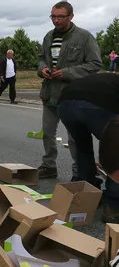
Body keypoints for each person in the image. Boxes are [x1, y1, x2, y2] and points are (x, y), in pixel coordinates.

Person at [36, 1, 102, 180]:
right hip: (49, 95)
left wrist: (67, 73)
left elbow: (95, 64)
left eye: (60, 17)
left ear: (71, 16)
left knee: (75, 139)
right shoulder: (49, 36)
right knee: (47, 134)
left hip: (73, 97)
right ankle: (49, 166)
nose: (56, 21)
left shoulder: (84, 37)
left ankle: (78, 172)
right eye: (53, 16)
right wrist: (42, 69)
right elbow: (42, 58)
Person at [57, 73, 119, 223]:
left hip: (65, 103)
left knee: (83, 148)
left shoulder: (109, 80)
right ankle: (113, 205)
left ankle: (89, 194)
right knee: (116, 149)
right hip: (96, 105)